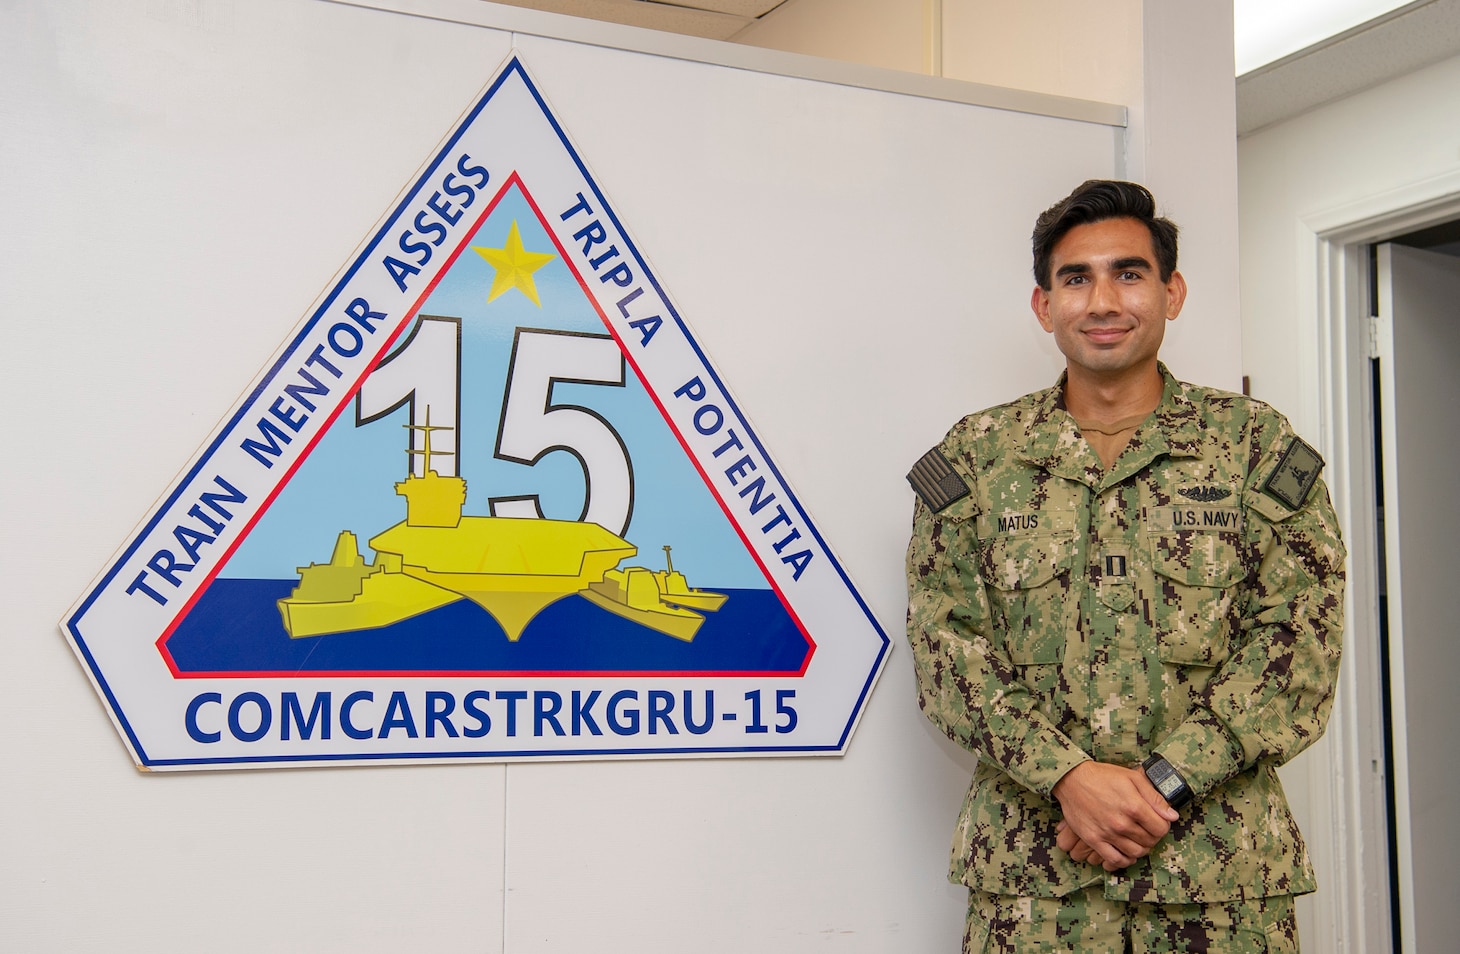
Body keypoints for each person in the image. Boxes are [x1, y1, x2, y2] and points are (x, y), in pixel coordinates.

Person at [905, 180, 1345, 952]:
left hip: (1218, 878)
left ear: (1171, 293)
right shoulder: (979, 457)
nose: (1103, 300)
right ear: (1044, 306)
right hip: (1034, 884)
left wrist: (1160, 784)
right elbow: (947, 654)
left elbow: (1301, 644)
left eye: (1129, 273)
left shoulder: (1253, 446)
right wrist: (1070, 780)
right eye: (1076, 278)